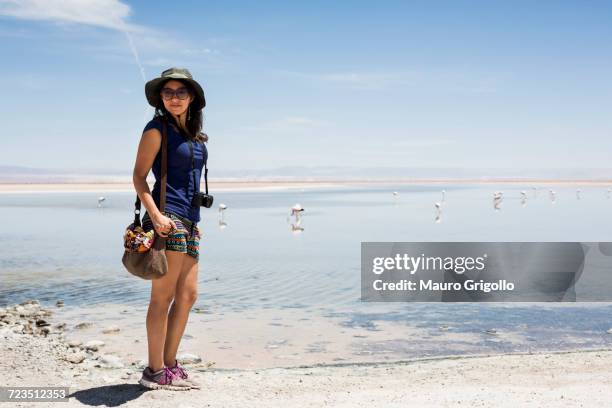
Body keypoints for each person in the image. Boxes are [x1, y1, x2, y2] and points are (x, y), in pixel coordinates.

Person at [132, 67, 208, 390]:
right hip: (168, 220)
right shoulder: (156, 129)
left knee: (188, 295)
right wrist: (157, 216)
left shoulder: (195, 137)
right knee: (161, 298)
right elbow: (139, 177)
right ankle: (154, 370)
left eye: (181, 92)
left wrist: (196, 222)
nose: (174, 98)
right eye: (168, 93)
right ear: (161, 99)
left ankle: (170, 364)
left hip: (190, 224)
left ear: (191, 98)